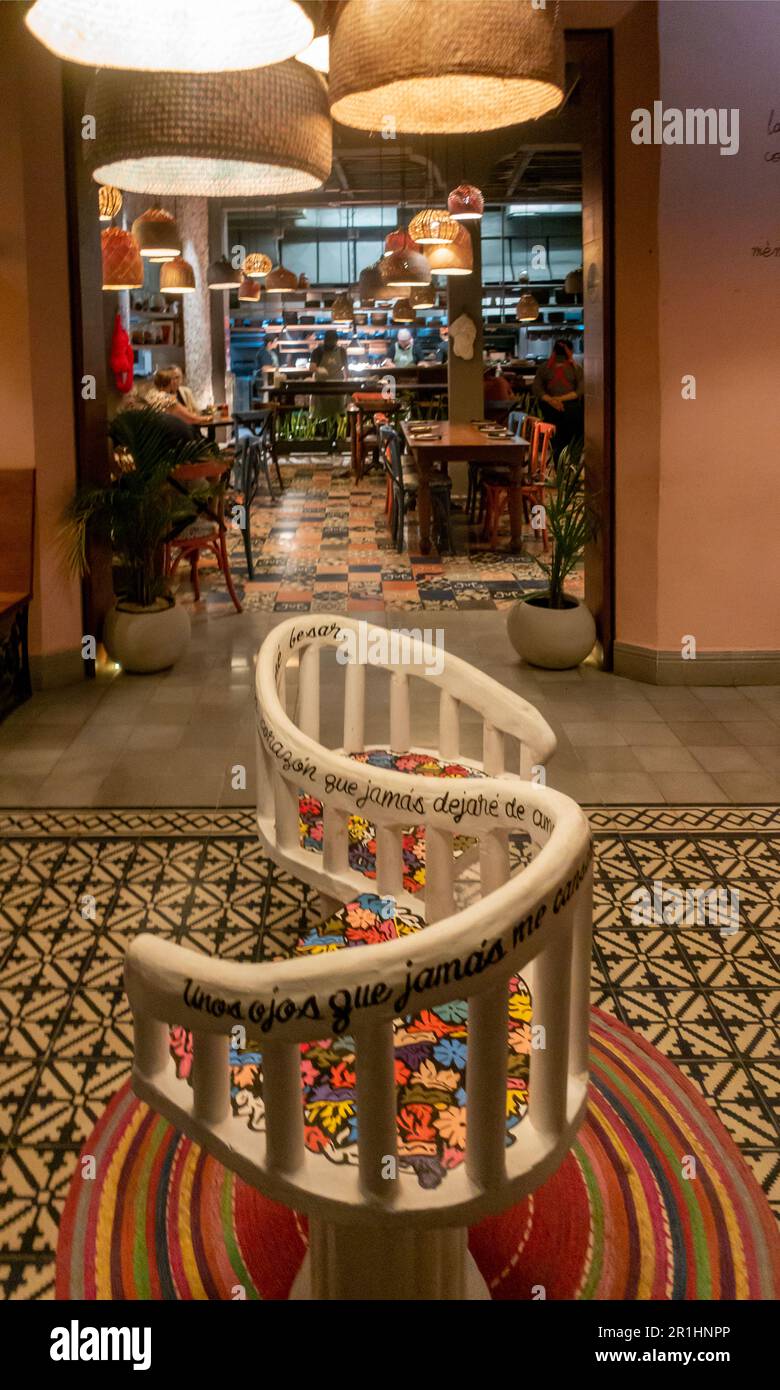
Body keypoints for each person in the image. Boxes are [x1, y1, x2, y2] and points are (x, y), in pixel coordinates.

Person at [532, 339, 584, 454]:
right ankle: (567, 461)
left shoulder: (544, 367)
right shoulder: (576, 369)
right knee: (570, 436)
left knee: (557, 437)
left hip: (551, 407)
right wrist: (558, 400)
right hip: (569, 409)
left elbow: (537, 389)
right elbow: (580, 391)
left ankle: (558, 459)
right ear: (570, 351)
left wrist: (553, 400)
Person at [309, 329, 348, 426]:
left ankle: (338, 436)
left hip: (337, 388)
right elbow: (311, 367)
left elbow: (346, 369)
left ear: (336, 341)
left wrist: (347, 381)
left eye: (332, 341)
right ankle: (321, 434)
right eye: (328, 341)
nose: (330, 343)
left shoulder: (342, 351)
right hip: (321, 387)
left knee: (338, 414)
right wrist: (319, 370)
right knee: (320, 414)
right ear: (325, 340)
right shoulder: (317, 351)